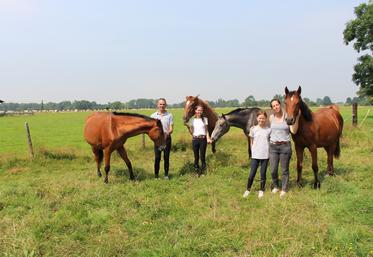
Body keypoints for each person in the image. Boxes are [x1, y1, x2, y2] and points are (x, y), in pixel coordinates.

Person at [243, 111, 271, 198]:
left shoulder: (269, 130)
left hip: (265, 155)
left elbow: (270, 141)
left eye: (263, 118)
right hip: (255, 155)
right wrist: (252, 151)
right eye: (260, 118)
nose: (261, 120)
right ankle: (248, 189)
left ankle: (261, 190)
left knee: (263, 174)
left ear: (266, 119)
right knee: (252, 174)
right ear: (257, 118)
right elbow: (251, 141)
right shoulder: (253, 129)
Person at [269, 98, 292, 197]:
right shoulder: (271, 118)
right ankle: (275, 186)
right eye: (273, 106)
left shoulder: (287, 117)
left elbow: (293, 131)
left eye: (277, 105)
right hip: (273, 146)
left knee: (284, 170)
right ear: (272, 108)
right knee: (273, 169)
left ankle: (284, 188)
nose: (275, 107)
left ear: (280, 105)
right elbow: (268, 130)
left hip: (285, 146)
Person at [151, 98, 173, 179]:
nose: (162, 106)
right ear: (157, 105)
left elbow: (171, 128)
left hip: (167, 139)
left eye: (163, 104)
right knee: (157, 158)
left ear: (165, 105)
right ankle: (156, 176)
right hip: (157, 141)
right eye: (160, 104)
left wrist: (168, 133)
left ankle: (166, 175)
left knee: (166, 158)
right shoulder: (153, 116)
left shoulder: (169, 115)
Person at [187, 105, 212, 176]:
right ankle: (196, 170)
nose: (199, 112)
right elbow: (191, 131)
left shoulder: (205, 119)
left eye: (201, 110)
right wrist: (190, 129)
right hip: (195, 139)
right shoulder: (192, 120)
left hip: (203, 139)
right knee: (196, 156)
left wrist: (208, 138)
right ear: (195, 111)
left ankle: (203, 171)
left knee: (202, 156)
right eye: (198, 110)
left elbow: (206, 130)